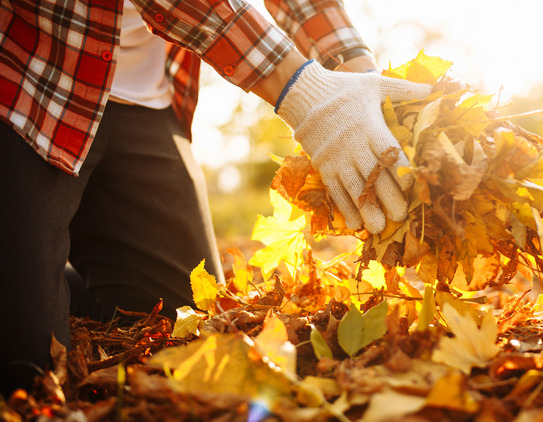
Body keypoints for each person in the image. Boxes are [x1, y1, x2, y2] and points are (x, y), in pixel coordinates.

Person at [0, 0, 431, 397]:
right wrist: (303, 92)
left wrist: (360, 77)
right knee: (28, 371)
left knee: (176, 323)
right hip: (28, 75)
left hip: (144, 98)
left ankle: (44, 279)